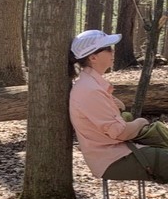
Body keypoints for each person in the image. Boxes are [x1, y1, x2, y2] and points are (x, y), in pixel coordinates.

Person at [69, 29, 168, 183]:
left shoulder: (92, 85)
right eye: (108, 48)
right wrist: (140, 122)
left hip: (118, 151)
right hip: (112, 159)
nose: (112, 51)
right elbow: (120, 133)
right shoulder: (90, 90)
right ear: (93, 57)